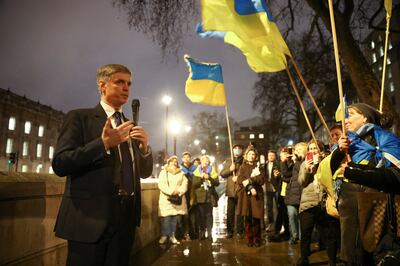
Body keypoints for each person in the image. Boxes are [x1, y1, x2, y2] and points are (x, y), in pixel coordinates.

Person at [52, 64, 153, 266]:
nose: (126, 88)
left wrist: (144, 149)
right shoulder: (80, 117)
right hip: (88, 220)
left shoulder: (129, 125)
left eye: (129, 83)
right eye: (119, 82)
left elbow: (143, 173)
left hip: (125, 222)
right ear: (102, 85)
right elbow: (60, 163)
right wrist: (104, 144)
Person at [330, 103, 400, 265]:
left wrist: (354, 171)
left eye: (351, 115)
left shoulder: (383, 138)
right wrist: (339, 151)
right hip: (349, 212)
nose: (345, 120)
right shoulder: (344, 142)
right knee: (351, 257)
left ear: (365, 117)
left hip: (376, 210)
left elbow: (393, 175)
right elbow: (329, 172)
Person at [297, 140, 339, 266]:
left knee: (329, 234)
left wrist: (321, 165)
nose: (313, 150)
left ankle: (332, 260)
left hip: (324, 203)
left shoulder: (326, 162)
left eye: (315, 148)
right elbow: (301, 182)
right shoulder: (304, 164)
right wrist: (307, 169)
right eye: (310, 148)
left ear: (320, 150)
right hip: (308, 204)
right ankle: (304, 259)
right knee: (306, 235)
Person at [236, 145, 265, 247]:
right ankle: (249, 238)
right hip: (246, 196)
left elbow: (261, 179)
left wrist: (250, 180)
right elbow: (240, 180)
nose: (252, 156)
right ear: (246, 156)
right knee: (248, 218)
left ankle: (257, 238)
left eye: (253, 154)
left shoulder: (259, 166)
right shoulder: (242, 167)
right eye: (250, 154)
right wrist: (249, 186)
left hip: (257, 195)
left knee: (256, 218)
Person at [158, 156, 188, 245]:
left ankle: (172, 236)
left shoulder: (181, 173)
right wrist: (171, 192)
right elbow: (161, 184)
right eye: (172, 161)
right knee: (166, 218)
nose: (174, 163)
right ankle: (164, 235)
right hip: (166, 198)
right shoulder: (164, 172)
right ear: (168, 163)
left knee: (174, 218)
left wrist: (179, 191)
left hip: (177, 198)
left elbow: (185, 183)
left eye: (175, 161)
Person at [282, 142, 307, 244]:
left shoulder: (305, 161)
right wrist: (284, 162)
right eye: (296, 150)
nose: (296, 152)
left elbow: (302, 170)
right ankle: (294, 235)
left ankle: (302, 237)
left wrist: (296, 161)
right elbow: (285, 175)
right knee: (292, 215)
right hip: (292, 194)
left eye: (299, 150)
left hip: (302, 194)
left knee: (302, 218)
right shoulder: (293, 162)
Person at [220, 144, 245, 239]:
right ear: (233, 150)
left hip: (240, 190)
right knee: (230, 212)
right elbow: (222, 174)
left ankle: (240, 231)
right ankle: (229, 231)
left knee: (240, 213)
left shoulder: (244, 161)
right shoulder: (229, 161)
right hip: (231, 191)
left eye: (239, 149)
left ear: (242, 150)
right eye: (235, 149)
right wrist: (230, 170)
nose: (237, 150)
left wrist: (238, 178)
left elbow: (246, 174)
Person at [192, 155, 219, 240]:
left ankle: (210, 234)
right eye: (204, 160)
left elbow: (217, 183)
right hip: (200, 197)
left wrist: (210, 178)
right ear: (201, 161)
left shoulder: (212, 170)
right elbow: (194, 184)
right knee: (201, 216)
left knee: (209, 216)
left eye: (207, 160)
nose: (205, 162)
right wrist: (201, 178)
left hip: (209, 196)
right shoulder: (196, 172)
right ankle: (202, 233)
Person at [178, 151, 197, 240]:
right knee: (183, 216)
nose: (186, 158)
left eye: (188, 157)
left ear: (190, 158)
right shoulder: (179, 168)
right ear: (182, 159)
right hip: (183, 193)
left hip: (192, 193)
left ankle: (192, 233)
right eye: (184, 157)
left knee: (192, 214)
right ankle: (182, 234)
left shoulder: (195, 168)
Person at [263, 150, 280, 232]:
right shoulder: (265, 165)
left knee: (278, 206)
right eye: (270, 155)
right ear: (267, 156)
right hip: (268, 187)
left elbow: (280, 175)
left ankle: (280, 224)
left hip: (276, 187)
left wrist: (278, 175)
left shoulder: (278, 164)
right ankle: (270, 223)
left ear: (275, 156)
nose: (271, 157)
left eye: (273, 155)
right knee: (269, 207)